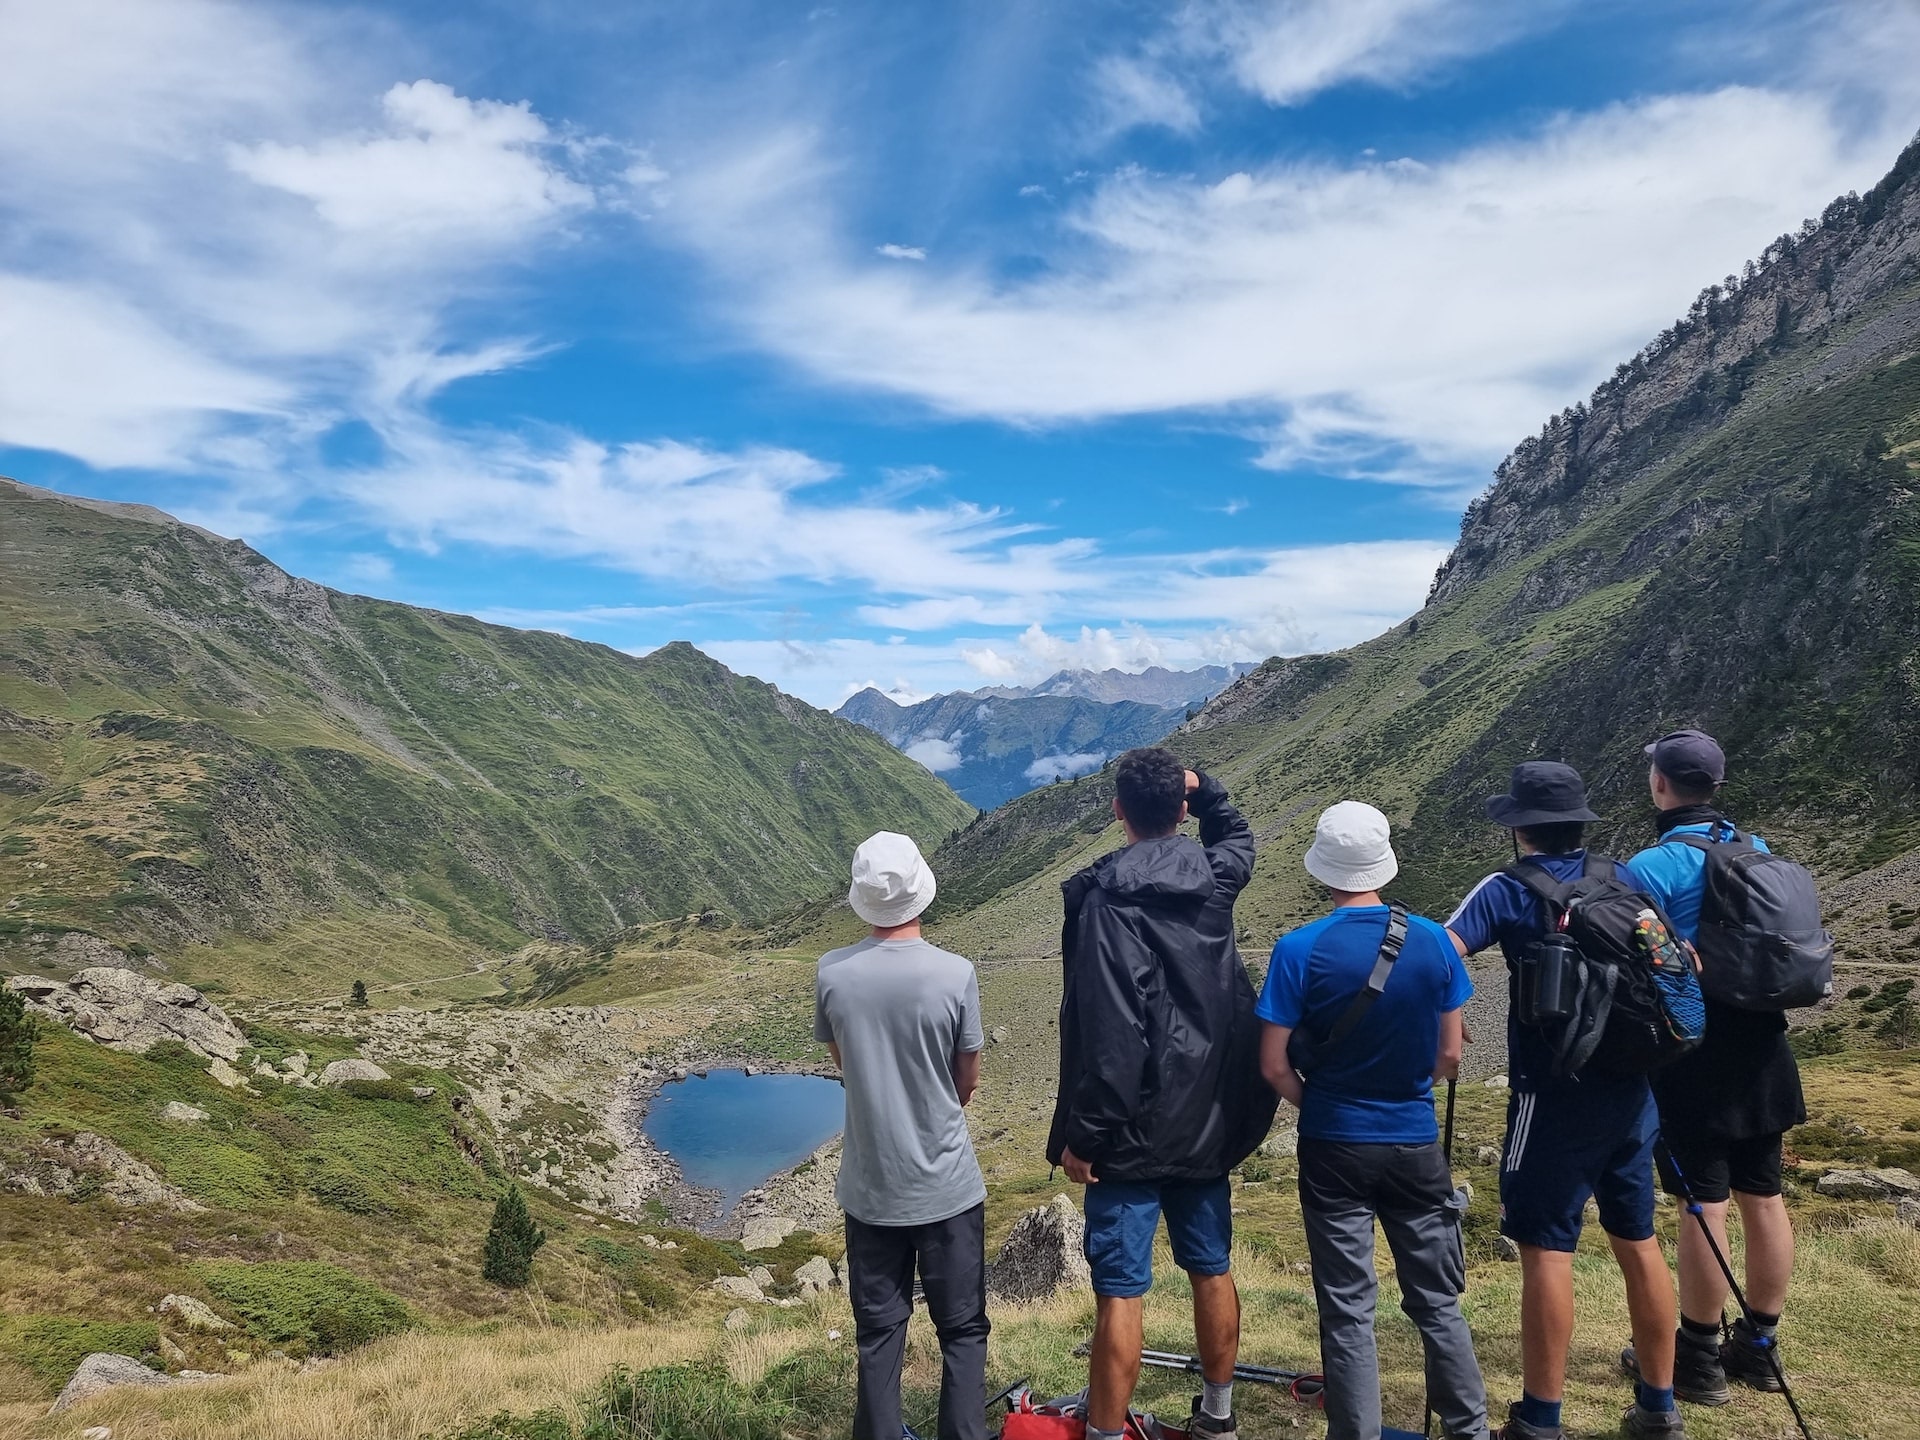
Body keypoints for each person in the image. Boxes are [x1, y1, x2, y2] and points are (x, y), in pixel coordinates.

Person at [1444, 762, 1683, 1440]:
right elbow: (1675, 958)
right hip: (1633, 1091)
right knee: (1638, 1241)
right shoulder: (1625, 879)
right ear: (1580, 824)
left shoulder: (1505, 890)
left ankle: (1540, 1420)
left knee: (1545, 1249)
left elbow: (1436, 950)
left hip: (1550, 1096)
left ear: (1519, 828)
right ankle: (1659, 1408)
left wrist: (1451, 1011)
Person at [1048, 747, 1276, 1440]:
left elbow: (1117, 1036)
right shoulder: (1215, 876)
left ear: (1118, 812)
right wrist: (1208, 790)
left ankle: (1106, 1432)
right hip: (1207, 1123)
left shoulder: (1106, 899)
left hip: (1130, 1136)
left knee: (1120, 1290)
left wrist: (1086, 1137)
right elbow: (1238, 836)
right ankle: (1218, 1414)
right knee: (1211, 1268)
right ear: (1179, 808)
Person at [1257, 801, 1489, 1440]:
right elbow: (1450, 1053)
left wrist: (1324, 1103)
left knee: (1348, 1308)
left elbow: (1274, 1066)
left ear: (1322, 868)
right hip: (1414, 1140)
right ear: (1383, 862)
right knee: (1437, 1303)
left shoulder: (1297, 948)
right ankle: (1469, 1429)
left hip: (1333, 1143)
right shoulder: (1436, 942)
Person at [1618, 730, 1806, 1405]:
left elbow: (1635, 966)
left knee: (1702, 1204)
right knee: (1765, 1195)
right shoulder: (1754, 850)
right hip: (1766, 1045)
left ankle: (1695, 1357)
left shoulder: (1651, 867)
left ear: (1661, 785)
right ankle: (1759, 1346)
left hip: (1694, 1051)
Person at [815, 831, 989, 1440]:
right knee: (963, 1329)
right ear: (920, 892)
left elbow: (844, 1060)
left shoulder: (831, 973)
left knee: (880, 1328)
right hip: (946, 1185)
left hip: (870, 1187)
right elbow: (965, 1080)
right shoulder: (956, 973)